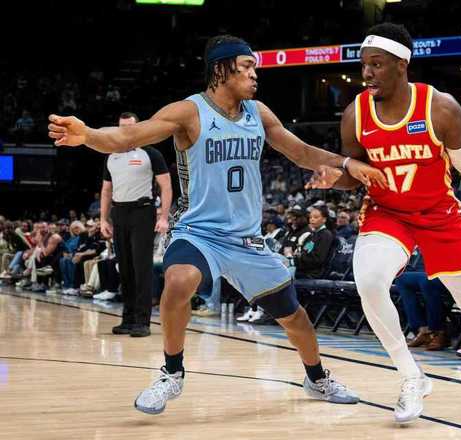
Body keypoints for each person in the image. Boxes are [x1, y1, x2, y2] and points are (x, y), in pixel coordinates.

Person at [48, 34, 385, 414]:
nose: (255, 74)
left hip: (247, 239)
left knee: (296, 319)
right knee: (178, 281)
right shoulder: (188, 112)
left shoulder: (259, 113)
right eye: (247, 67)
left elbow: (303, 153)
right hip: (199, 231)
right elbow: (128, 137)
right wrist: (88, 135)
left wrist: (347, 164)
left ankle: (317, 377)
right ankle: (172, 373)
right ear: (221, 70)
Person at [309, 23, 461, 423]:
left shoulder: (439, 107)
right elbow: (355, 172)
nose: (366, 73)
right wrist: (336, 176)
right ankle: (411, 376)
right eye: (364, 64)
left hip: (439, 214)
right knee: (370, 282)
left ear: (401, 65)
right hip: (388, 212)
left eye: (376, 64)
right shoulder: (355, 113)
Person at [99, 112, 173, 337]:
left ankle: (142, 321)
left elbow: (166, 186)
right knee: (125, 268)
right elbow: (106, 190)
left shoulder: (151, 153)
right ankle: (128, 318)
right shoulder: (111, 155)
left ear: (139, 127)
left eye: (130, 126)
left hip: (142, 211)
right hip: (119, 212)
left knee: (141, 268)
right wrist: (103, 219)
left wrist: (164, 217)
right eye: (122, 127)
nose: (126, 131)